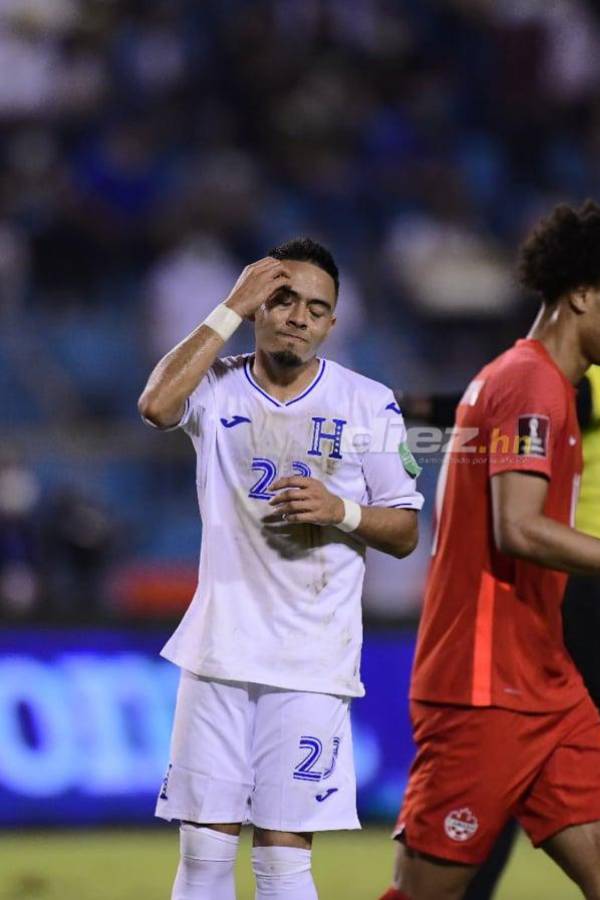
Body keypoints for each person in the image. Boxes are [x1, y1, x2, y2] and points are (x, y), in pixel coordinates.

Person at [378, 201, 600, 900]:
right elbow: (518, 528)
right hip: (483, 687)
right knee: (427, 892)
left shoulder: (544, 385)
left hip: (544, 680)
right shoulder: (529, 384)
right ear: (582, 295)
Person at [138, 238, 424, 900]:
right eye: (283, 300)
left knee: (282, 861)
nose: (298, 317)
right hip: (217, 651)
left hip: (310, 662)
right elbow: (155, 406)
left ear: (331, 324)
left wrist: (340, 510)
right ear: (258, 307)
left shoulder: (367, 402)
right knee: (203, 854)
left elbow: (405, 531)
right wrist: (226, 309)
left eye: (315, 309)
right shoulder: (216, 384)